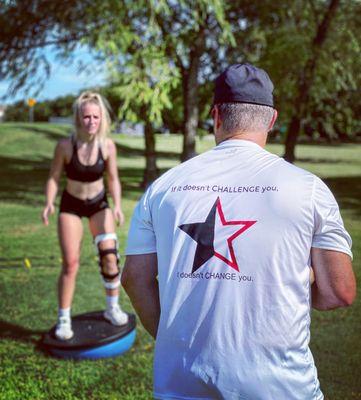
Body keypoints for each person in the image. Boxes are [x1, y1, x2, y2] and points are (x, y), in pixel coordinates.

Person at [121, 63, 356, 399]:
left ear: (216, 116)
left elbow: (133, 278)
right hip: (282, 388)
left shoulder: (163, 188)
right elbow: (339, 292)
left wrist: (173, 337)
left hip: (181, 385)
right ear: (272, 120)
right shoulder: (309, 189)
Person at [42, 91, 128, 341]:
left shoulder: (108, 146)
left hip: (99, 204)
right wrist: (49, 202)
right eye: (86, 116)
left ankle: (112, 308)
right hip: (71, 205)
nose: (91, 121)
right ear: (78, 118)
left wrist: (118, 206)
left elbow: (113, 179)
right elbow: (53, 177)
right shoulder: (65, 146)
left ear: (102, 119)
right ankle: (64, 318)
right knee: (71, 263)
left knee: (110, 257)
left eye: (95, 117)